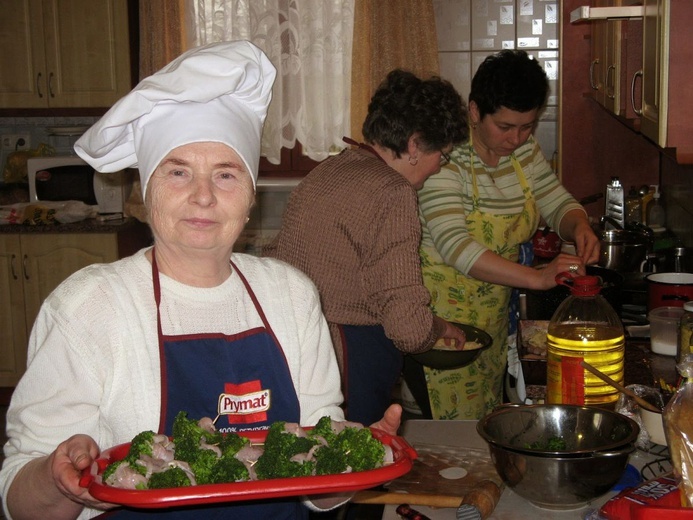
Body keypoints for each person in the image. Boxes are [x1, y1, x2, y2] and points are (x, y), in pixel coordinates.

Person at [0, 41, 402, 520]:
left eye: (226, 175)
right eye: (178, 172)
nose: (203, 196)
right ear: (146, 191)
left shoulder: (292, 295)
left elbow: (317, 489)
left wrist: (353, 462)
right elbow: (21, 505)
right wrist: (54, 479)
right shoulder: (91, 305)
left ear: (250, 196)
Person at [264, 69, 469, 426]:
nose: (439, 167)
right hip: (347, 361)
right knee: (355, 472)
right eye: (443, 155)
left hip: (291, 351)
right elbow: (408, 330)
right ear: (415, 145)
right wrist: (436, 328)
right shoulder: (393, 192)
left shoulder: (329, 169)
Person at [415, 50, 601, 420]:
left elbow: (556, 201)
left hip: (493, 321)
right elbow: (457, 247)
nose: (517, 138)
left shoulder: (524, 153)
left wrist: (579, 225)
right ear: (474, 111)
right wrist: (537, 277)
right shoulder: (445, 157)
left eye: (527, 126)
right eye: (505, 127)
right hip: (440, 329)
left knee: (484, 424)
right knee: (450, 444)